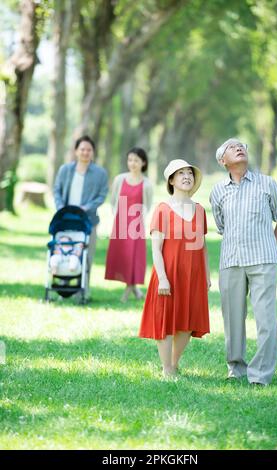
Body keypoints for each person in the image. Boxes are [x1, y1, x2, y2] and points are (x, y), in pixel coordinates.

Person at [210, 138, 277, 386]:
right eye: (232, 147)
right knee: (232, 319)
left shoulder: (267, 184)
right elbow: (222, 226)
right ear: (223, 161)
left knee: (265, 318)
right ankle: (236, 368)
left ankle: (261, 374)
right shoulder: (217, 191)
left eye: (242, 145)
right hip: (231, 260)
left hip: (263, 260)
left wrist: (270, 246)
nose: (239, 148)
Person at [139, 159, 210, 377]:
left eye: (189, 173)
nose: (187, 176)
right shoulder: (163, 209)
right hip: (168, 272)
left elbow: (202, 246)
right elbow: (156, 249)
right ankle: (166, 368)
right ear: (171, 180)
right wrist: (162, 277)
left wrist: (206, 276)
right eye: (181, 173)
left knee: (187, 323)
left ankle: (174, 362)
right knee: (166, 319)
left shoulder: (199, 210)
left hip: (193, 274)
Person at [53, 135, 108, 295]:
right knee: (64, 252)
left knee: (86, 256)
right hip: (65, 220)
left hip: (88, 221)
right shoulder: (65, 170)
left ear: (93, 153)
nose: (85, 152)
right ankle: (64, 288)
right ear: (76, 151)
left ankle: (83, 290)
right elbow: (57, 190)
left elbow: (102, 195)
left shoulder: (100, 173)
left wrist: (86, 208)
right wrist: (61, 208)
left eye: (89, 150)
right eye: (82, 149)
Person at [105, 147, 153, 302]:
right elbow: (113, 201)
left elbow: (147, 206)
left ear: (143, 163)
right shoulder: (120, 179)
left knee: (134, 258)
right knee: (123, 257)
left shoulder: (147, 184)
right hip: (120, 223)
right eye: (130, 159)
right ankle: (136, 291)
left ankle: (128, 291)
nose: (132, 163)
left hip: (136, 226)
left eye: (136, 160)